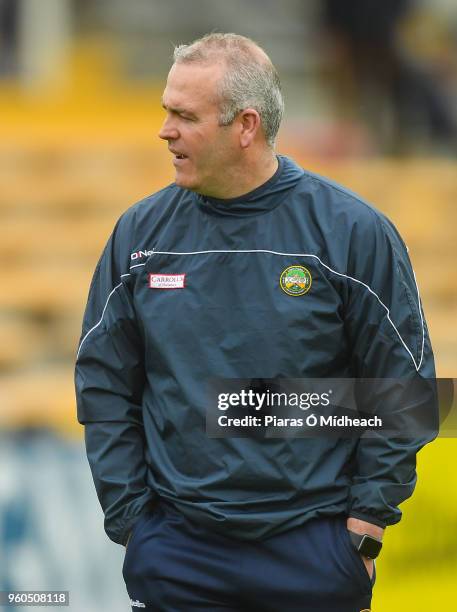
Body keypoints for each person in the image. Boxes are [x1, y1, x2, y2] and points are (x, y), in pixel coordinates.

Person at [75, 33, 437, 612]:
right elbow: (104, 383)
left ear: (245, 126)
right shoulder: (139, 236)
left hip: (312, 551)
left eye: (184, 116)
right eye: (165, 111)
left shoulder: (352, 232)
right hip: (177, 553)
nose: (164, 130)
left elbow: (407, 389)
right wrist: (134, 523)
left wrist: (366, 521)